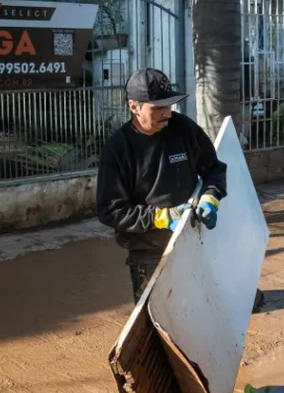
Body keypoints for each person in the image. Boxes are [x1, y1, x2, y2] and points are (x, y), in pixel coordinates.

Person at [96, 68, 226, 302]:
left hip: (192, 236)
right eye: (158, 108)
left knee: (205, 304)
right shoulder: (118, 149)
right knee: (154, 314)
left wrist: (210, 197)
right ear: (134, 106)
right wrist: (161, 218)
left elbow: (214, 169)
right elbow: (110, 210)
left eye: (169, 105)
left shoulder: (183, 128)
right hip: (148, 249)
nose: (167, 113)